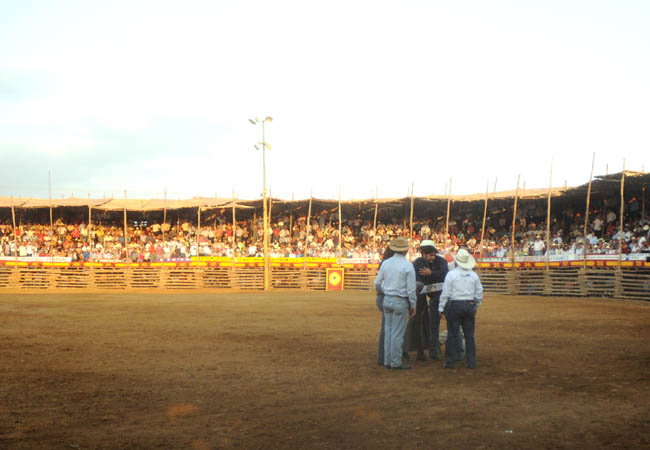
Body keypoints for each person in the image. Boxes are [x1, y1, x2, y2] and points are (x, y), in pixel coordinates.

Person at [373, 237, 416, 370]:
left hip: (387, 299)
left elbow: (377, 283)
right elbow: (411, 289)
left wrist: (383, 292)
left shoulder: (386, 263)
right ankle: (395, 362)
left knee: (388, 331)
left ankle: (387, 360)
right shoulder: (408, 265)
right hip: (399, 300)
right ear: (405, 250)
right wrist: (413, 305)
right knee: (397, 333)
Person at [439, 248, 483, 369]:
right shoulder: (474, 275)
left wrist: (441, 308)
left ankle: (450, 361)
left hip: (455, 305)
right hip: (469, 305)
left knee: (452, 334)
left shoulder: (451, 274)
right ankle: (471, 361)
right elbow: (479, 292)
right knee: (469, 335)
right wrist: (476, 304)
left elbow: (446, 293)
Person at [402, 241, 437, 361]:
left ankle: (411, 350)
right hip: (418, 295)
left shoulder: (418, 262)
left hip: (415, 295)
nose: (433, 257)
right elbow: (424, 282)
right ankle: (410, 350)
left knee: (416, 322)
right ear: (425, 255)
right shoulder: (422, 263)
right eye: (431, 255)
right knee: (418, 322)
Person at [375, 247, 395, 366]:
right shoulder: (392, 265)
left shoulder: (384, 264)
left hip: (382, 296)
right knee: (392, 328)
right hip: (388, 296)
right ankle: (390, 356)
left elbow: (378, 283)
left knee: (386, 327)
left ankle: (383, 357)